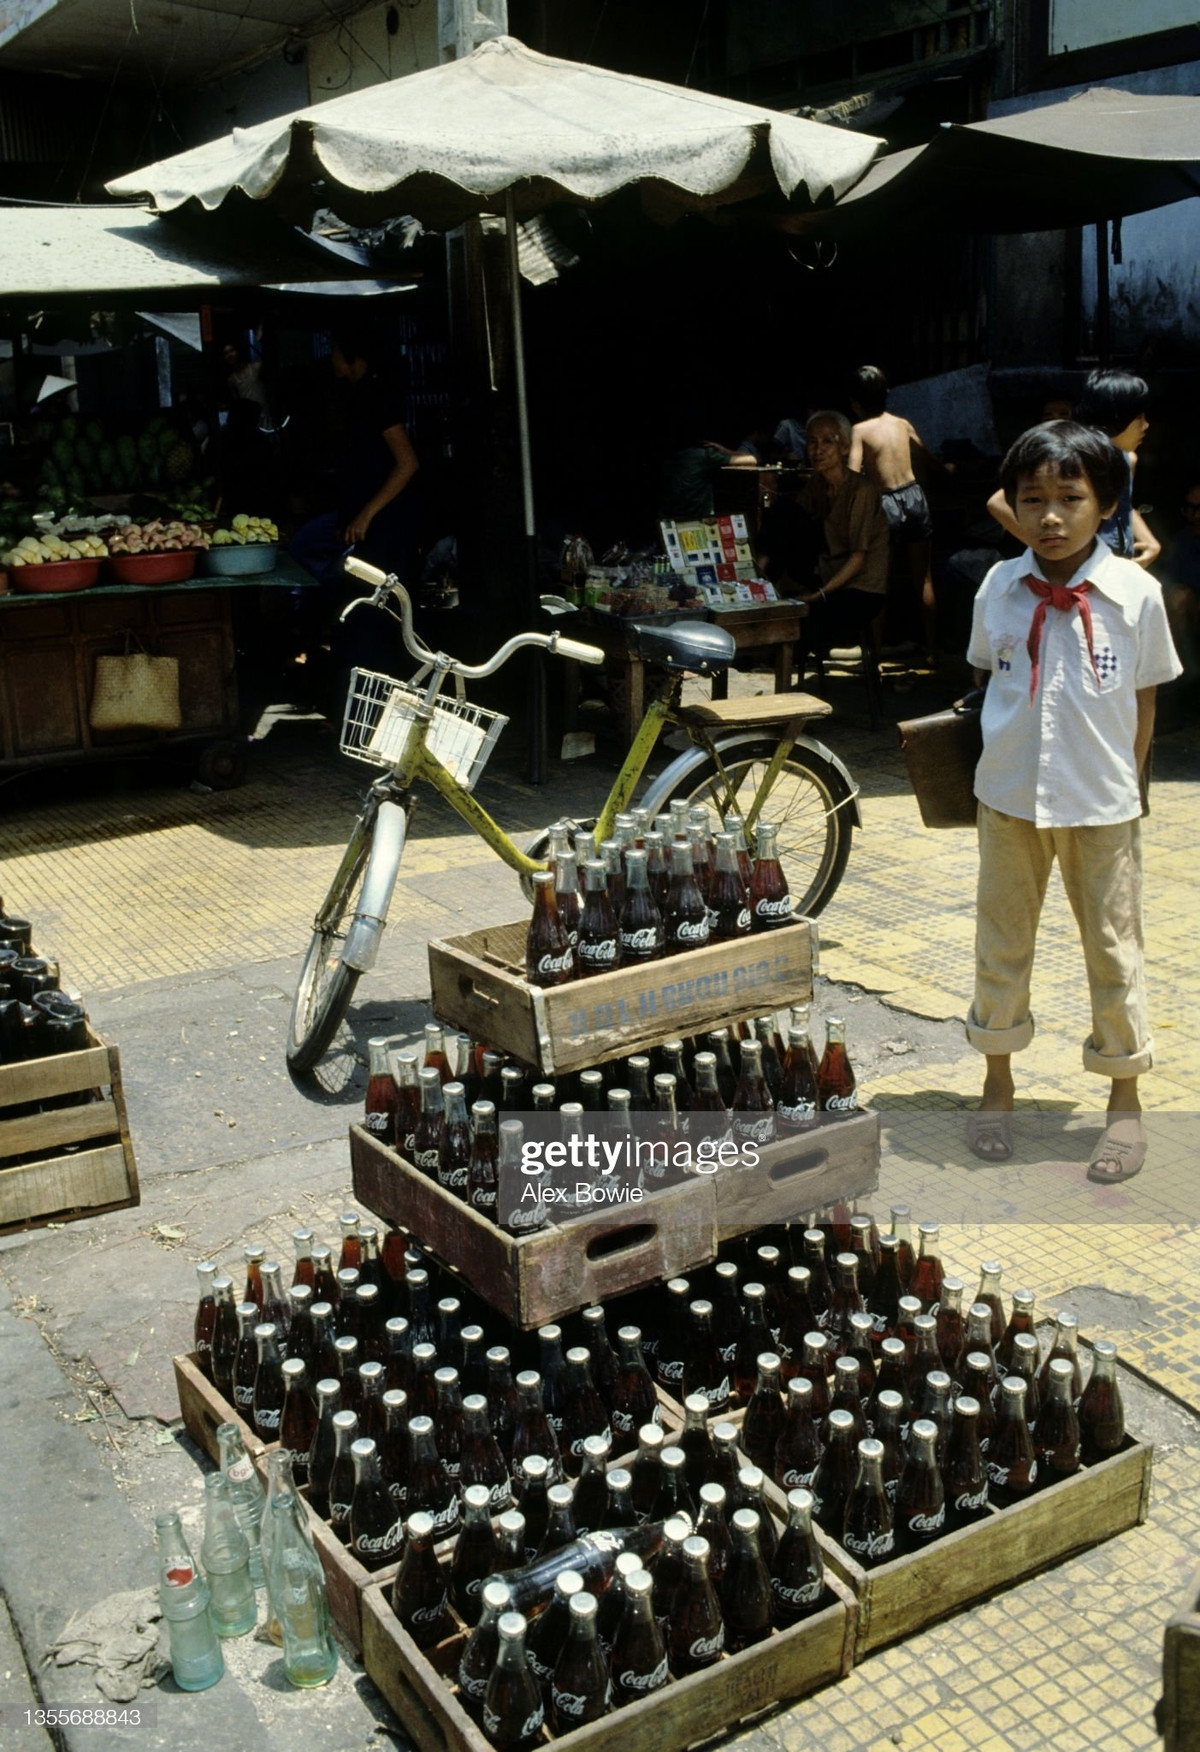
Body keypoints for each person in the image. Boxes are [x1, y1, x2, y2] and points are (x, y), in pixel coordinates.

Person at [964, 421, 1181, 1181]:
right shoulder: (997, 588)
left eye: (1070, 498)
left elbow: (1143, 708)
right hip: (1009, 800)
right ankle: (997, 1087)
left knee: (1115, 953)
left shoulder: (1136, 596)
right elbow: (989, 683)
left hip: (1102, 806)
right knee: (1001, 945)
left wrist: (1127, 787)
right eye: (1033, 499)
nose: (1050, 516)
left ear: (1108, 504)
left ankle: (1125, 1102)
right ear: (1013, 507)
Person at [986, 369, 1160, 568]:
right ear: (1120, 417)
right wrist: (1053, 551)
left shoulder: (1128, 460)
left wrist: (1149, 542)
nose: (1145, 425)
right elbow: (998, 503)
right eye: (1138, 417)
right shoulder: (1075, 460)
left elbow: (1122, 505)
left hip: (1115, 567)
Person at [848, 365, 938, 662]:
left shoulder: (860, 430)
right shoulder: (902, 424)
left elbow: (851, 475)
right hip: (913, 497)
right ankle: (932, 651)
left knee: (877, 583)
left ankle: (872, 657)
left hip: (885, 503)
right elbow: (927, 456)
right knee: (922, 579)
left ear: (856, 404)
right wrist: (948, 469)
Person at [791, 410, 890, 655]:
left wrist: (819, 595)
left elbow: (858, 558)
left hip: (862, 591)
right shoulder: (818, 485)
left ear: (845, 448)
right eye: (812, 442)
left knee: (805, 621)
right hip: (832, 579)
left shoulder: (861, 491)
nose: (818, 450)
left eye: (827, 441)